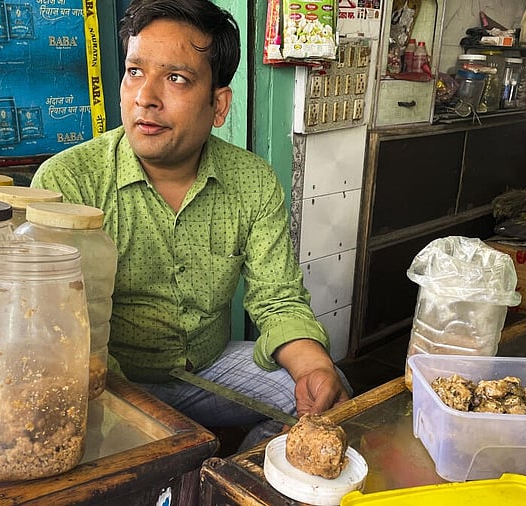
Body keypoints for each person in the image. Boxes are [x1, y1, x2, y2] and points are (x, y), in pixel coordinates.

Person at [31, 0, 350, 437]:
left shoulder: (252, 182)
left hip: (210, 368)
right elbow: (57, 331)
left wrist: (314, 365)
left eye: (176, 78)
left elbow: (277, 299)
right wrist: (154, 425)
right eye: (135, 72)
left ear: (219, 106)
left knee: (325, 402)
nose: (145, 97)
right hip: (106, 381)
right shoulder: (69, 182)